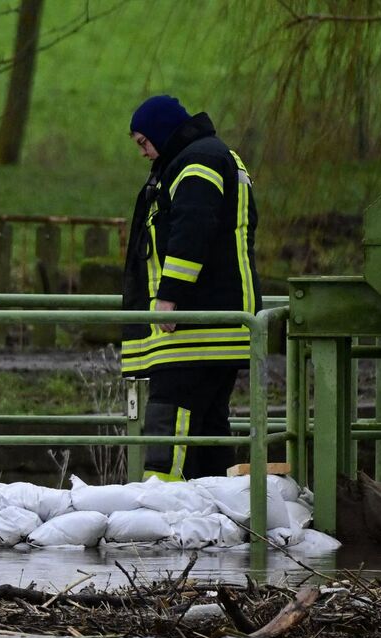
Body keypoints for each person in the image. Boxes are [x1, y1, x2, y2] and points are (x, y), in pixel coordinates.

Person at [120, 95, 260, 481]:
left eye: (143, 142)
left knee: (170, 411)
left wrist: (171, 295)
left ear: (163, 131)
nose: (144, 153)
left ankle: (161, 510)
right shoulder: (209, 157)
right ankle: (215, 508)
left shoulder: (195, 162)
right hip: (218, 320)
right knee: (208, 427)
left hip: (195, 325)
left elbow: (192, 228)